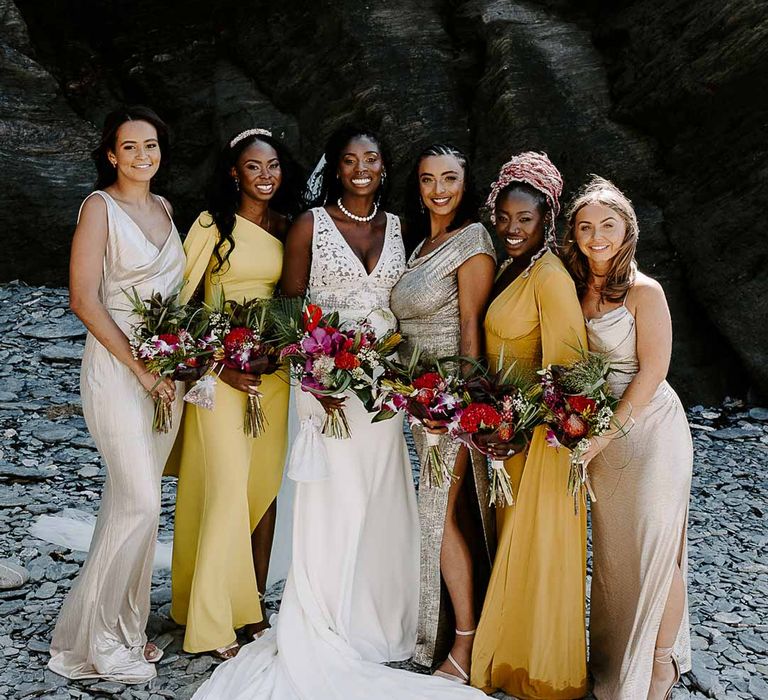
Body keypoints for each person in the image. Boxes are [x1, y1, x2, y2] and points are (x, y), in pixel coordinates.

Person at [191, 125, 484, 700]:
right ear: (336, 166)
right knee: (332, 498)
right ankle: (325, 613)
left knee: (380, 493)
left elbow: (409, 314)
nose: (360, 168)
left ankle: (376, 617)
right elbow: (293, 310)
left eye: (371, 159)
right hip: (325, 386)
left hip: (384, 394)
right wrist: (313, 374)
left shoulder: (403, 229)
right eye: (349, 160)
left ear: (384, 167)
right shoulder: (309, 225)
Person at [48, 106, 184, 683]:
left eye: (150, 145)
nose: (142, 156)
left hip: (167, 375)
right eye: (129, 147)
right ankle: (97, 644)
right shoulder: (98, 209)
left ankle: (124, 625)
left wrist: (181, 363)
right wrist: (140, 369)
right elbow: (84, 299)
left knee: (134, 505)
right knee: (141, 501)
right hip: (116, 370)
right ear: (111, 154)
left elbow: (176, 297)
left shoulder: (166, 209)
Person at [168, 128, 303, 657]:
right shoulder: (210, 225)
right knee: (223, 487)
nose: (265, 176)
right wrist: (217, 362)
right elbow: (182, 305)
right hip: (219, 374)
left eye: (272, 166)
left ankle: (241, 605)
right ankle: (211, 623)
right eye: (253, 167)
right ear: (233, 172)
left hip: (272, 372)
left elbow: (293, 300)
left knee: (259, 485)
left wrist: (279, 350)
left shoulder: (289, 226)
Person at [561, 176, 692, 699]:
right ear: (574, 233)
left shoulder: (645, 291)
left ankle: (660, 665)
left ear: (627, 230)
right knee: (616, 555)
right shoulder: (572, 285)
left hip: (649, 430)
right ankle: (617, 663)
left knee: (658, 549)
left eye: (607, 226)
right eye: (586, 226)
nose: (597, 237)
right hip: (598, 437)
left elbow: (653, 370)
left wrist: (606, 434)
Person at [470, 152, 589, 698]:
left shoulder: (551, 277)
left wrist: (518, 422)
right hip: (504, 438)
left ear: (548, 220)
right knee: (506, 545)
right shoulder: (508, 268)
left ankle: (532, 666)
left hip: (536, 440)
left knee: (531, 548)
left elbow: (568, 375)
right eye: (504, 218)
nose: (512, 229)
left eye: (526, 219)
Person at [389, 144, 496, 684]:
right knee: (433, 516)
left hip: (446, 401)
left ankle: (464, 647)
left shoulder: (473, 241)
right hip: (415, 394)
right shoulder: (420, 242)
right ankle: (429, 634)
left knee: (439, 516)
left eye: (450, 178)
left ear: (465, 181)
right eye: (429, 179)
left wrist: (456, 405)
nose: (439, 189)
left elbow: (472, 328)